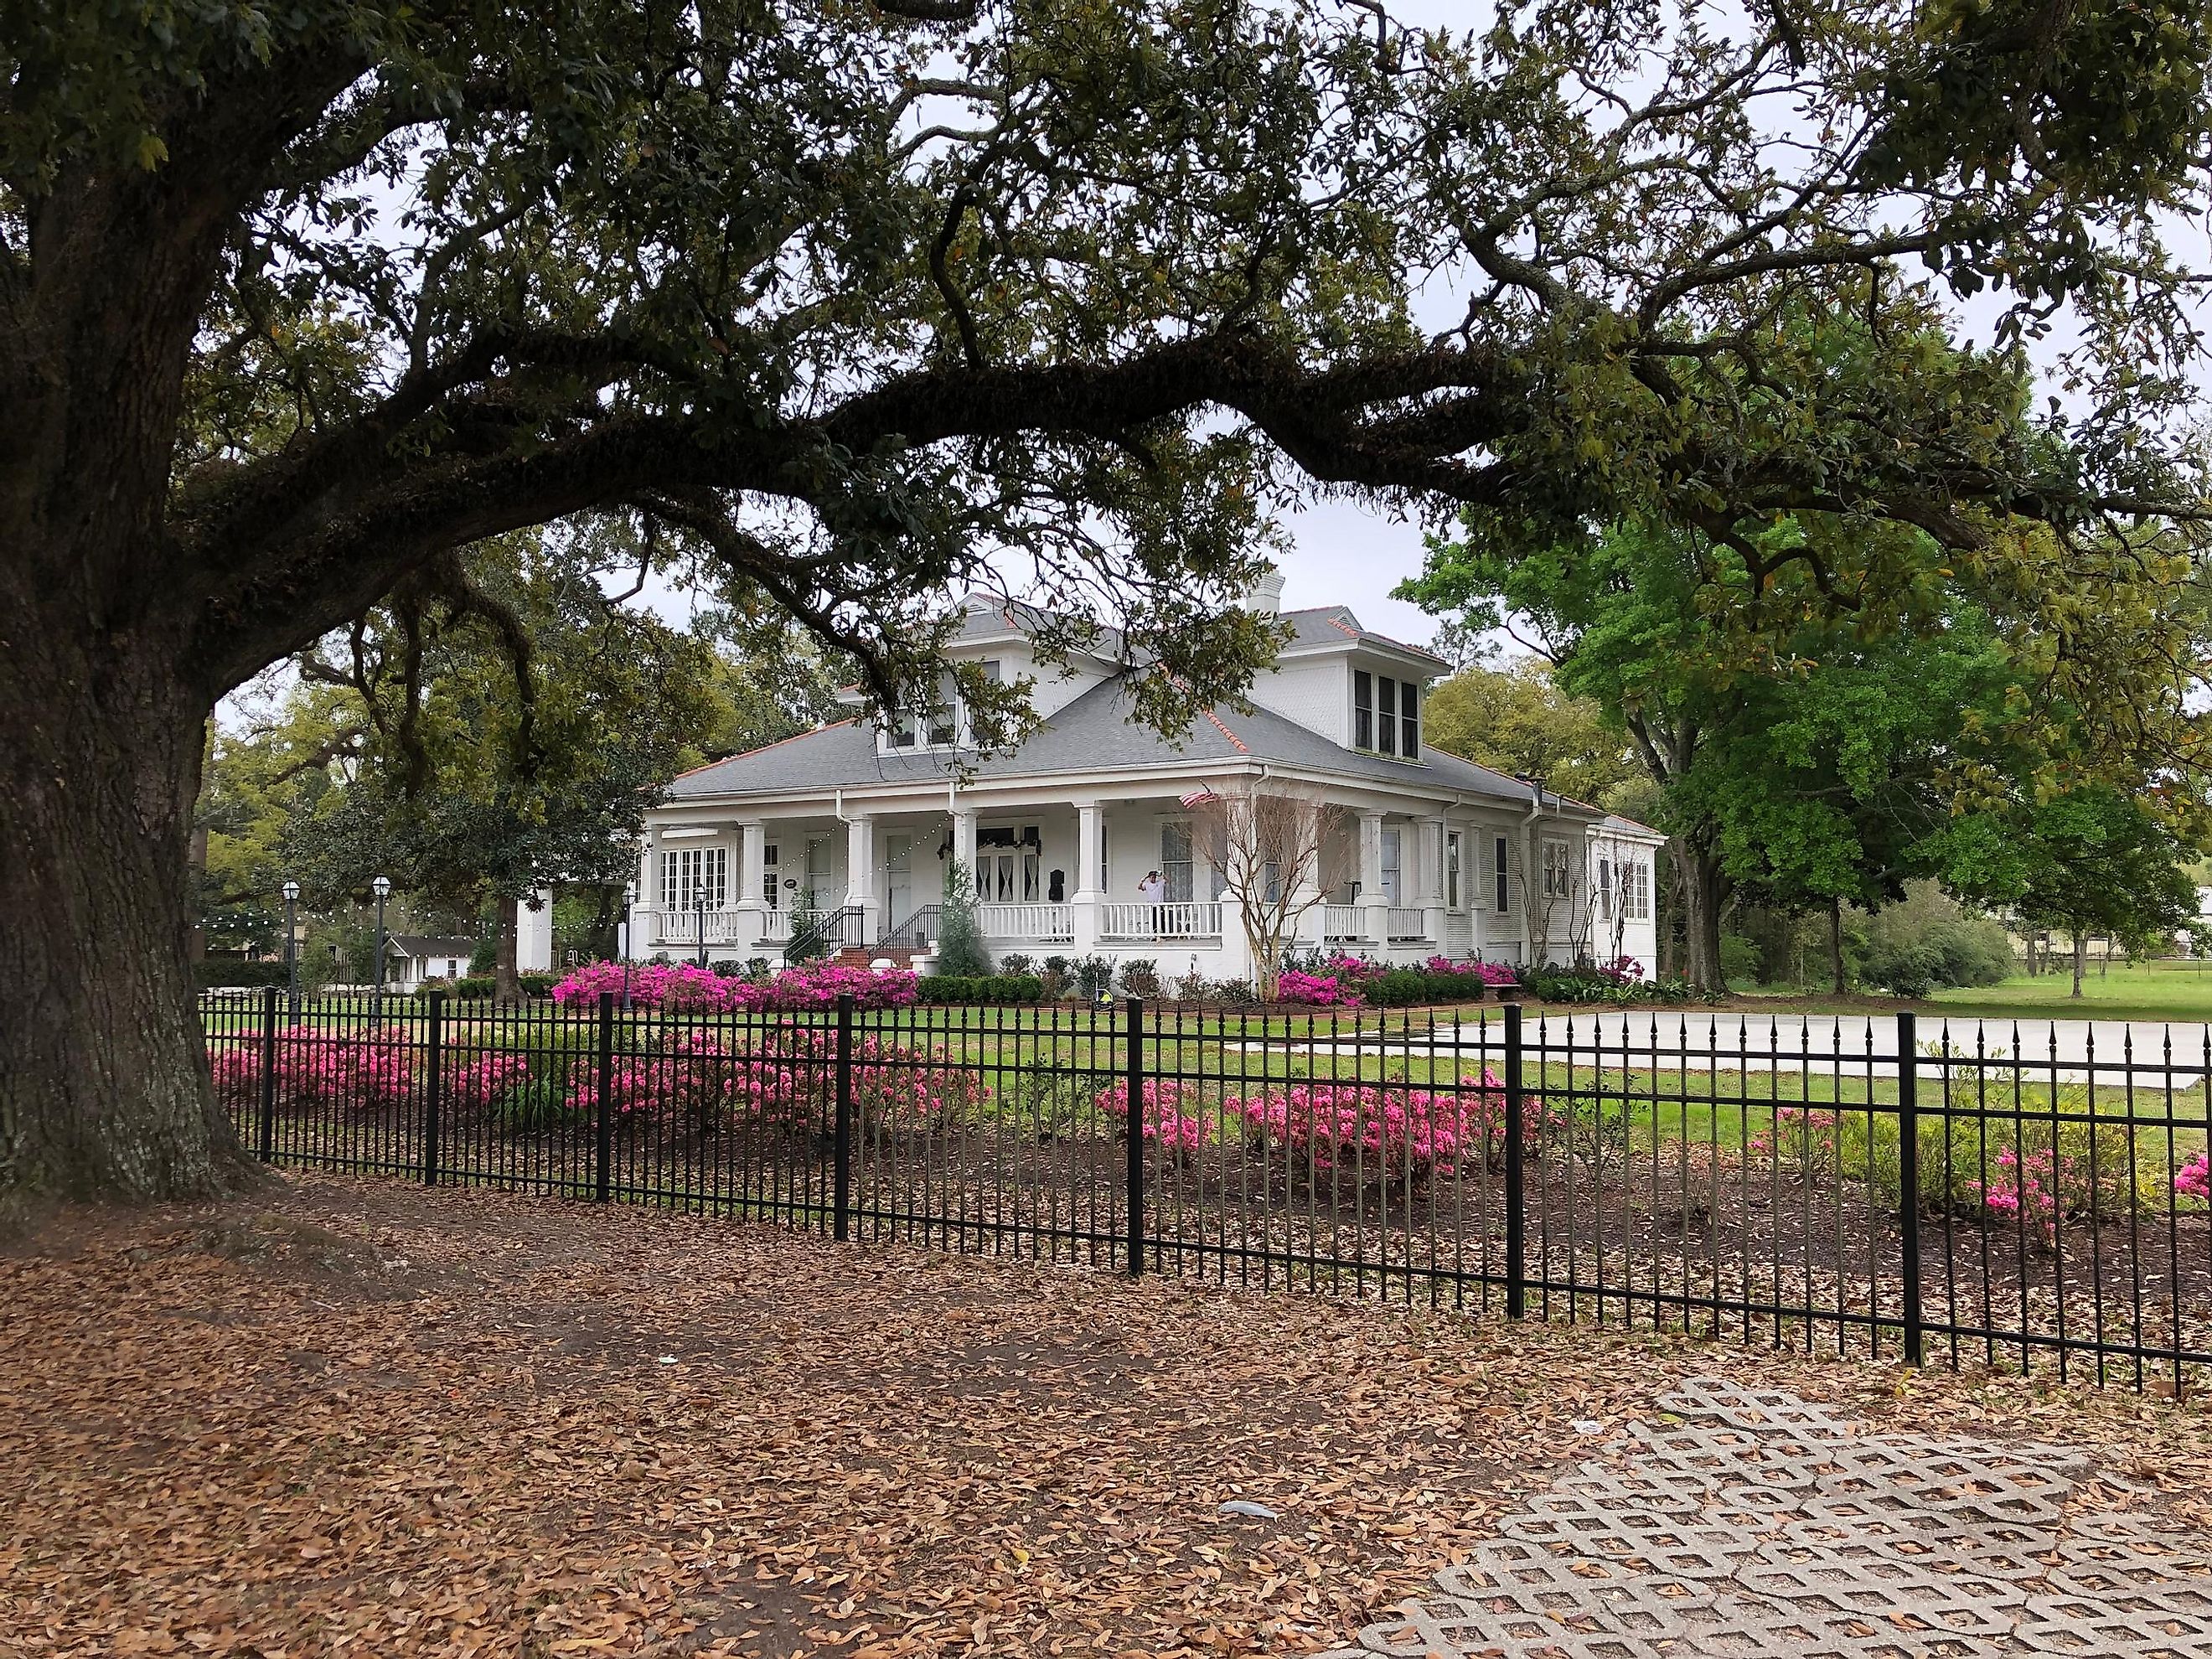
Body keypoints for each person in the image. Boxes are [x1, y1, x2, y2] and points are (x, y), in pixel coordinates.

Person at [1136, 869, 1165, 935]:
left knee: (1162, 920)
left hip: (1160, 905)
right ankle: (1155, 935)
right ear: (1149, 878)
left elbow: (1167, 880)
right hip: (1152, 906)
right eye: (1152, 877)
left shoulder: (1160, 883)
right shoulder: (1147, 884)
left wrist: (1162, 874)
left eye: (1154, 877)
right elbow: (1139, 888)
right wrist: (1143, 880)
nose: (1153, 879)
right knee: (1153, 921)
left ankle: (1163, 935)